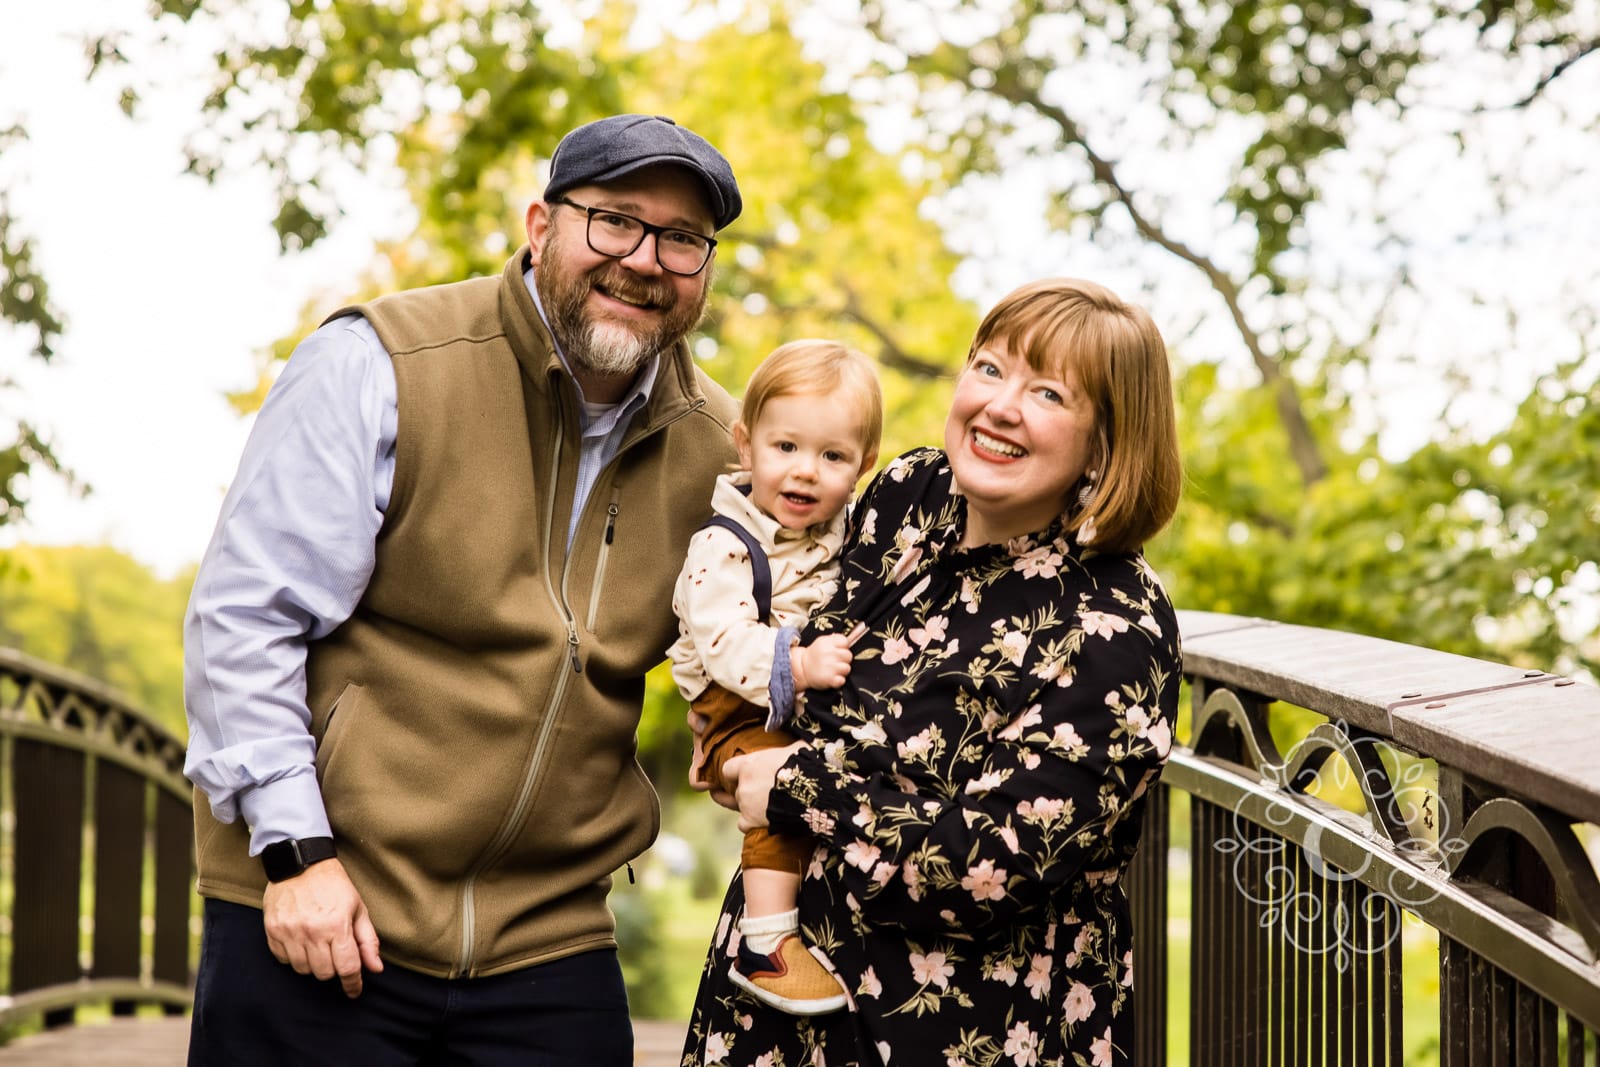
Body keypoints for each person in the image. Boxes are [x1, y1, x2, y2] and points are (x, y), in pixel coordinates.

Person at [182, 114, 744, 1066]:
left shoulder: (721, 447)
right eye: (613, 220)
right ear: (541, 225)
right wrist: (294, 856)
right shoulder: (381, 362)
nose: (645, 260)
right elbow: (244, 620)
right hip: (326, 903)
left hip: (549, 939)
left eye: (682, 238)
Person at [683, 277, 1184, 1066]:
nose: (1000, 406)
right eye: (989, 368)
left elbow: (989, 864)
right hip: (779, 998)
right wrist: (741, 709)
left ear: (1107, 441)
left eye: (1048, 391)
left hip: (958, 1030)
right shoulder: (907, 501)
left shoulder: (1115, 628)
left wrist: (792, 784)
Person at [668, 339, 883, 1015]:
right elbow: (726, 641)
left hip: (793, 697)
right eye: (785, 447)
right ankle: (766, 943)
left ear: (863, 466)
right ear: (745, 444)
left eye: (833, 456)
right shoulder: (726, 542)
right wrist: (799, 663)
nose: (805, 472)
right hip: (738, 701)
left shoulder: (842, 533)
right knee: (780, 788)